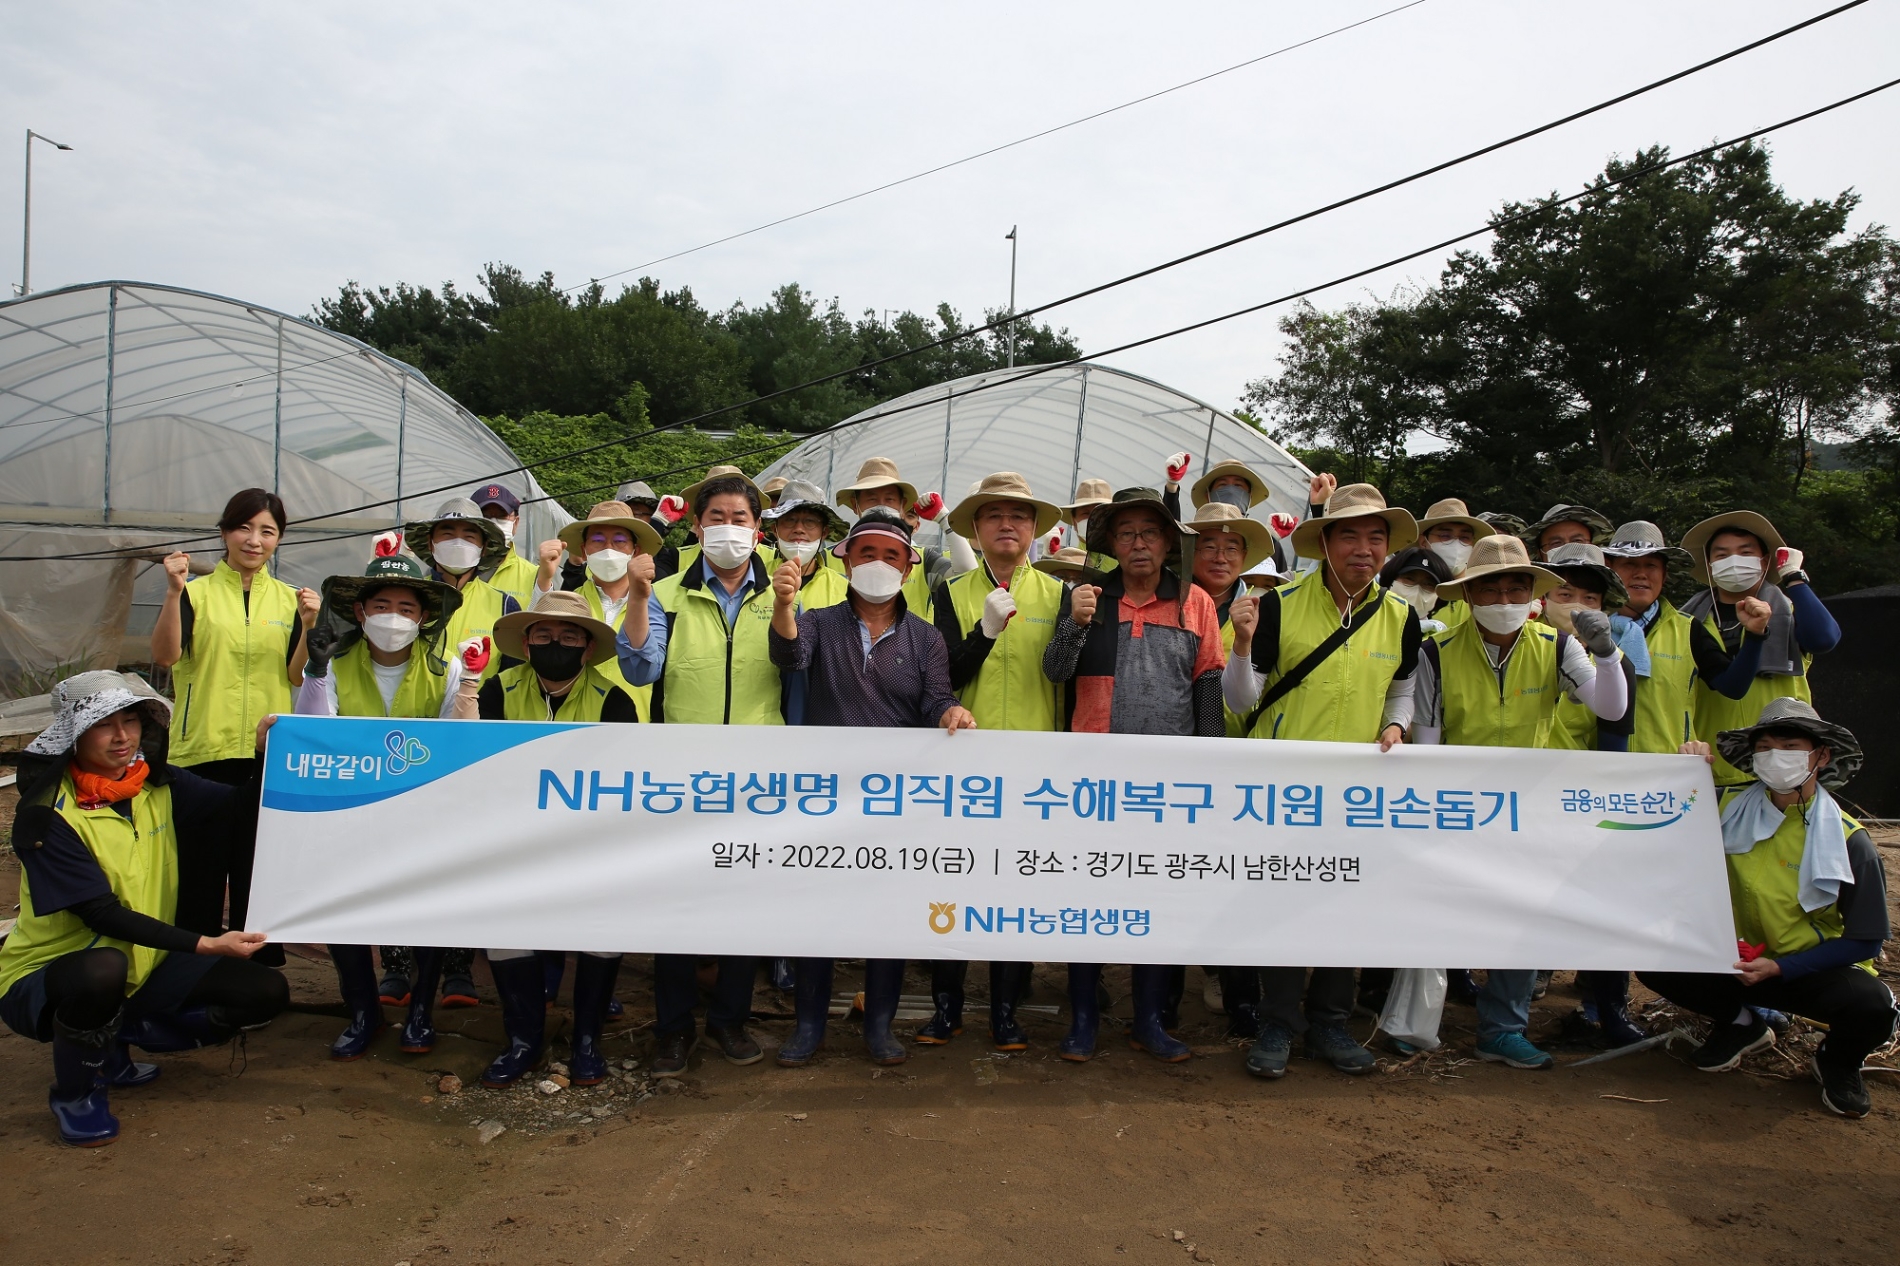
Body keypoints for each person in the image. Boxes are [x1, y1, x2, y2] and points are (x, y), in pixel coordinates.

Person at [0, 672, 289, 1146]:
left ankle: (114, 1035)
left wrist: (264, 755)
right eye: (103, 725)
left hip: (145, 961)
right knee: (101, 970)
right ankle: (79, 1093)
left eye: (131, 721)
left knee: (264, 991)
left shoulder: (157, 786)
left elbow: (239, 807)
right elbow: (100, 914)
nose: (122, 736)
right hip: (51, 970)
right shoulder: (47, 815)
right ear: (73, 734)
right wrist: (206, 942)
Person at [1221, 483, 1422, 1080]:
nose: (1364, 548)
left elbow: (1404, 689)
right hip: (1281, 790)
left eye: (1376, 537)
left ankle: (1331, 1023)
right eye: (1351, 535)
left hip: (1358, 794)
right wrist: (1242, 645)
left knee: (1347, 903)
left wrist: (1395, 724)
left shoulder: (1402, 617)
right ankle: (1279, 1023)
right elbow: (1240, 700)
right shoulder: (1280, 605)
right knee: (1284, 901)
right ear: (1326, 543)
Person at [769, 510, 975, 1067]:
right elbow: (789, 655)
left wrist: (951, 709)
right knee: (817, 913)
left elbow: (933, 698)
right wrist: (784, 607)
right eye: (866, 554)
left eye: (891, 555)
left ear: (909, 567)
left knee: (888, 913)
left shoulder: (926, 638)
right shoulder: (817, 620)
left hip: (895, 799)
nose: (878, 565)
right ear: (846, 561)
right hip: (823, 795)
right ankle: (808, 1025)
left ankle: (879, 1025)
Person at [1425, 534, 1627, 1069]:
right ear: (1468, 596)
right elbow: (1427, 738)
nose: (1505, 597)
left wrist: (1605, 655)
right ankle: (1416, 1022)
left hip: (1527, 809)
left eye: (1517, 586)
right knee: (1440, 912)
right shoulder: (1435, 652)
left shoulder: (1558, 646)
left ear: (1534, 593)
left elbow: (1609, 706)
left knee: (1525, 915)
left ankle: (1502, 1027)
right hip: (1454, 807)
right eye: (1491, 588)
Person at [1042, 488, 1225, 1062]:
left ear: (1169, 542)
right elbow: (1054, 671)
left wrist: (1209, 767)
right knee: (1088, 892)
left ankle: (1148, 1018)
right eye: (1126, 533)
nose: (1139, 543)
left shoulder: (1196, 602)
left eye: (1150, 532)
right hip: (1092, 772)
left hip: (1169, 780)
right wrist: (1074, 625)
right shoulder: (1087, 596)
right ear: (1111, 544)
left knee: (1159, 894)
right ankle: (1084, 1021)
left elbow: (1209, 687)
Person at [1646, 700, 1893, 1119]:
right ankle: (1742, 1025)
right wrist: (1685, 773)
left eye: (1790, 744)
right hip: (1736, 959)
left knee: (1873, 1006)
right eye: (1765, 746)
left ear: (1822, 755)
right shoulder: (1726, 809)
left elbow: (1866, 940)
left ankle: (1837, 1061)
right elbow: (1669, 817)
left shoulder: (1851, 843)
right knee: (1653, 959)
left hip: (1809, 970)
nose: (1776, 755)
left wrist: (1784, 969)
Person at [618, 469, 778, 1076]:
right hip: (685, 773)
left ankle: (731, 1021)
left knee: (746, 904)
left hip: (763, 773)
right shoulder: (666, 593)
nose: (729, 529)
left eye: (740, 520)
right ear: (695, 525)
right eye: (718, 519)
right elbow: (640, 669)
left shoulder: (784, 595)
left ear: (758, 532)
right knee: (678, 904)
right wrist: (636, 597)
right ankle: (673, 1027)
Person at [447, 591, 640, 1087]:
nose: (557, 642)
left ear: (586, 646)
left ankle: (588, 1041)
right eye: (544, 634)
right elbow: (468, 756)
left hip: (588, 846)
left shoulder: (613, 701)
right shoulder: (497, 689)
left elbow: (624, 782)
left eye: (570, 635)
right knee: (507, 932)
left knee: (601, 935)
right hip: (511, 842)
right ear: (527, 644)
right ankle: (523, 1041)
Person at [295, 548, 468, 1060]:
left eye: (407, 609)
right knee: (346, 906)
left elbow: (456, 740)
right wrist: (315, 669)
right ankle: (363, 1010)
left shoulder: (446, 668)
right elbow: (312, 731)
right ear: (360, 612)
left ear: (423, 618)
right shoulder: (332, 662)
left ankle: (420, 1013)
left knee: (427, 906)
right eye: (383, 605)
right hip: (350, 806)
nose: (394, 617)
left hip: (423, 808)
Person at [921, 473, 1066, 1054]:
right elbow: (941, 679)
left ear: (1034, 529)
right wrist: (982, 630)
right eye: (995, 515)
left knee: (1017, 893)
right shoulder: (948, 594)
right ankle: (946, 1007)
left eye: (1020, 516)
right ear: (975, 528)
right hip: (963, 767)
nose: (1008, 524)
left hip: (1035, 770)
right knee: (951, 882)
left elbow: (1068, 679)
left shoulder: (1058, 596)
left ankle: (1006, 1011)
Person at [149, 487, 309, 948]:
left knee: (255, 866)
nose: (254, 540)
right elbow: (165, 654)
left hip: (266, 749)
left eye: (267, 531)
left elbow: (296, 676)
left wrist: (310, 626)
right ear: (224, 533)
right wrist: (174, 590)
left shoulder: (287, 601)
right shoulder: (195, 594)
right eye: (244, 527)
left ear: (278, 540)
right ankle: (193, 963)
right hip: (202, 749)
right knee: (200, 865)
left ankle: (254, 965)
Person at [1679, 511, 1842, 787]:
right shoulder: (1687, 621)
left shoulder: (1789, 612)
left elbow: (1825, 638)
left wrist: (1793, 576)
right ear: (1709, 565)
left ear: (1764, 561)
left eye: (1745, 553)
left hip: (1784, 766)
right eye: (1721, 555)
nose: (1733, 561)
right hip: (1711, 764)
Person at [535, 500, 662, 723]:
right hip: (573, 728)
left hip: (637, 730)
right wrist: (544, 579)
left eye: (620, 541)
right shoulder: (570, 602)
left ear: (636, 551)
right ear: (584, 551)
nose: (608, 549)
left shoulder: (659, 604)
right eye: (598, 540)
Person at [1600, 521, 1701, 755]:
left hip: (1666, 772)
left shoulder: (1688, 629)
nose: (1641, 573)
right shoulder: (1584, 626)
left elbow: (1732, 687)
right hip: (1593, 772)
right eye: (1630, 564)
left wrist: (1756, 635)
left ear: (1664, 575)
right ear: (1610, 570)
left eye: (1651, 565)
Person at [405, 497, 521, 686]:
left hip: (478, 712)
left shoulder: (505, 605)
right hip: (417, 714)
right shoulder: (409, 598)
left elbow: (512, 678)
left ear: (483, 548)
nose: (458, 543)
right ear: (430, 543)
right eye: (448, 535)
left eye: (469, 537)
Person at [1539, 543, 1639, 754]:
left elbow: (1613, 751)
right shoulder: (1518, 644)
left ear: (1602, 606)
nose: (1577, 607)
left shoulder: (1617, 665)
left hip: (1570, 782)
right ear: (1544, 598)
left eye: (1590, 599)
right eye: (1565, 595)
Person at [833, 456, 940, 616]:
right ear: (856, 505)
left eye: (889, 499)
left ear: (902, 505)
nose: (881, 506)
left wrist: (944, 518)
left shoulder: (924, 559)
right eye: (872, 499)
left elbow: (965, 577)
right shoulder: (829, 558)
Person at [1413, 498, 1494, 631]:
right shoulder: (1403, 588)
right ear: (1423, 542)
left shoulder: (1483, 595)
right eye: (1445, 535)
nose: (1456, 544)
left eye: (1464, 538)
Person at [471, 483, 540, 609]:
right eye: (485, 516)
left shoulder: (534, 575)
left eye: (501, 516)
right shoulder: (449, 570)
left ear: (516, 523)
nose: (493, 523)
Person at [1059, 478, 1117, 572]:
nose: (1092, 519)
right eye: (1085, 513)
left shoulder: (1124, 557)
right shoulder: (1068, 562)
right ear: (1074, 521)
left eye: (1099, 512)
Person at [1521, 503, 1613, 560]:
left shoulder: (1606, 588)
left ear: (1592, 546)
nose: (1568, 548)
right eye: (1556, 543)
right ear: (1540, 553)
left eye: (1577, 541)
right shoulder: (1530, 590)